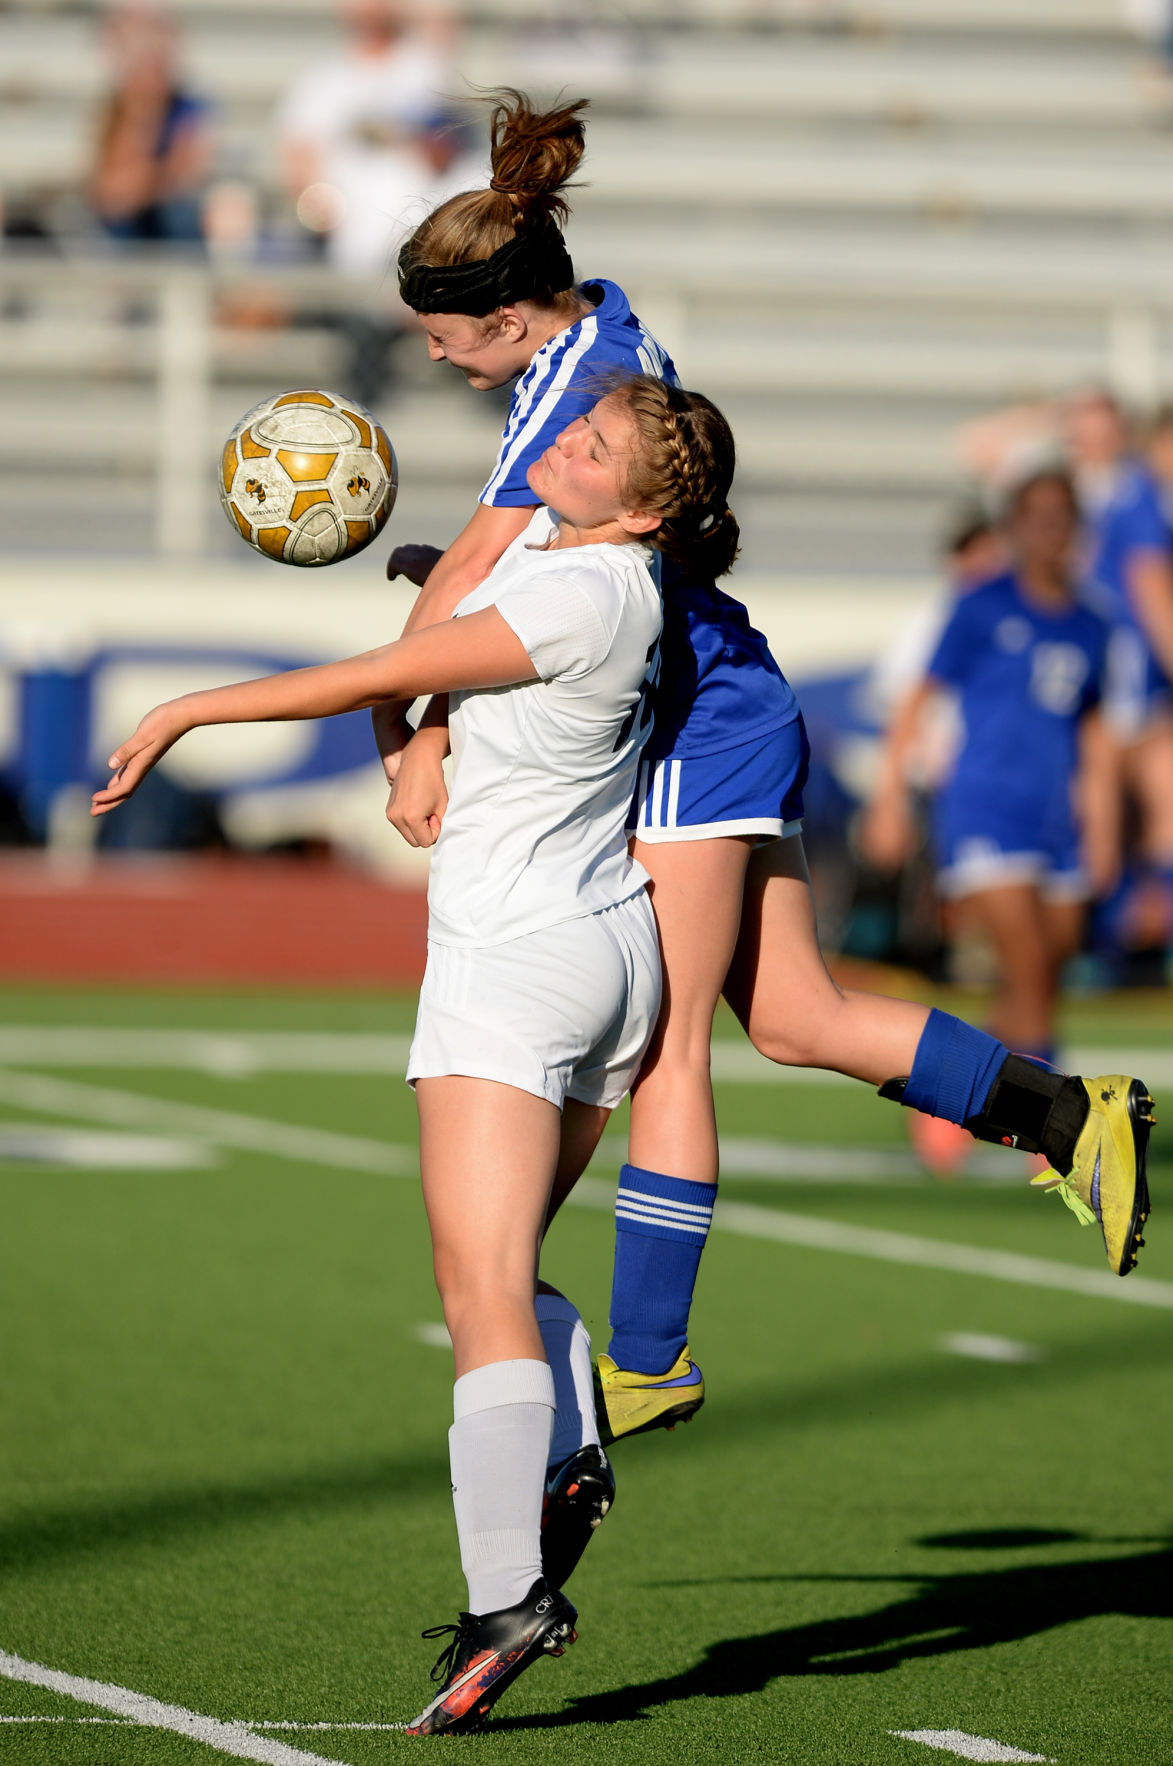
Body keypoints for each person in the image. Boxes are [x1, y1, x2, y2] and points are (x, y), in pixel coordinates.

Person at [372, 92, 1155, 1455]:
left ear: (507, 319)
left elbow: (480, 582)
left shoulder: (570, 381)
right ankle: (1070, 1111)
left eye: (451, 346)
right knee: (791, 1012)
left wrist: (412, 725)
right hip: (724, 690)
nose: (451, 368)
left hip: (691, 710)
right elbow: (517, 556)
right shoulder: (589, 324)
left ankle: (652, 1359)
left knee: (668, 1045)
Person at [90, 376, 737, 1733]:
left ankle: (510, 1589)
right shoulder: (593, 570)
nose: (562, 441)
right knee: (508, 1266)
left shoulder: (582, 590)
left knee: (478, 1282)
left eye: (596, 443)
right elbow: (443, 676)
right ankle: (570, 1444)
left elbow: (387, 668)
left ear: (651, 504)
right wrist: (425, 713)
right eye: (575, 424)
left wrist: (191, 709)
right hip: (604, 952)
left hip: (519, 965)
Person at [861, 470, 1122, 1175]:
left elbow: (1094, 731)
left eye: (1060, 516)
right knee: (1026, 961)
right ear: (1013, 526)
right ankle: (1056, 1128)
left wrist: (1101, 824)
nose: (1048, 530)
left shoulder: (1091, 622)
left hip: (1055, 819)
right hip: (983, 808)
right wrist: (888, 799)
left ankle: (946, 1096)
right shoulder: (980, 607)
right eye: (1033, 516)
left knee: (1044, 972)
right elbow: (917, 699)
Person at [1064, 387, 1173, 941]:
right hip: (1097, 675)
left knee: (1133, 807)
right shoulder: (1081, 492)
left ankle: (1115, 941)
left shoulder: (1132, 493)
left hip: (1121, 675)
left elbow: (1150, 585)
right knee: (1112, 813)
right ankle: (1104, 942)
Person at [91, 2, 212, 245]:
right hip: (128, 222)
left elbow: (182, 178)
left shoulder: (190, 109)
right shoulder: (115, 108)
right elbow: (109, 190)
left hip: (168, 221)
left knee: (177, 214)